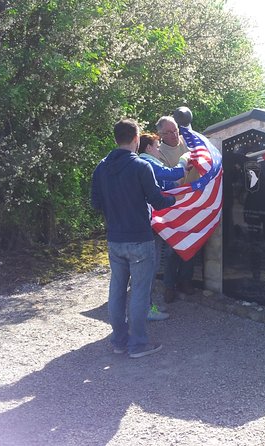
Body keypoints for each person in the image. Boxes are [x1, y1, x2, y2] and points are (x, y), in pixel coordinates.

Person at [91, 118, 176, 358]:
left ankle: (119, 342)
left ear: (116, 138)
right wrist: (176, 199)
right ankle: (138, 344)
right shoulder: (141, 166)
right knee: (139, 291)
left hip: (114, 239)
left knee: (117, 290)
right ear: (136, 139)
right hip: (140, 238)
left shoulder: (101, 167)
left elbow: (95, 203)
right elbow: (157, 200)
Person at [138, 132, 192, 320]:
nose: (159, 148)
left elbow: (167, 183)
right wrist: (184, 161)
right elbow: (170, 174)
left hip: (150, 223)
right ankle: (145, 309)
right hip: (150, 223)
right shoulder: (147, 162)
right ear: (148, 148)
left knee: (146, 269)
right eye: (156, 145)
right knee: (148, 268)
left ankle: (144, 307)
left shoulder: (148, 163)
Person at [155, 116, 198, 302]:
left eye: (175, 131)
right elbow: (167, 178)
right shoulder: (159, 152)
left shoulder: (188, 142)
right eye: (168, 132)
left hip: (194, 200)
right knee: (173, 247)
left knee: (194, 243)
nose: (173, 135)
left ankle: (186, 281)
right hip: (174, 203)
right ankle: (169, 286)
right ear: (160, 134)